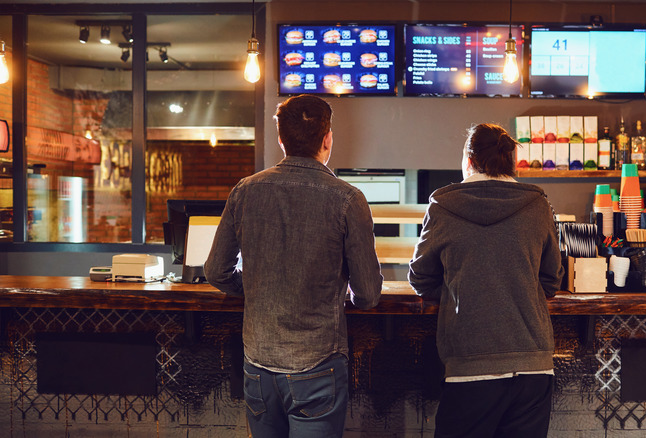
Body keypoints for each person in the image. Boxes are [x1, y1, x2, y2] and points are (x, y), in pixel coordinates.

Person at [204, 94, 383, 438]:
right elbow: (369, 294)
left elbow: (215, 272)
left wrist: (252, 286)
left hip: (258, 362)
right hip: (318, 363)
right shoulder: (348, 198)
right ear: (328, 138)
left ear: (280, 138)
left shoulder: (245, 191)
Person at [408, 123, 564, 437]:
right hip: (532, 365)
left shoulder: (443, 206)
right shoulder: (538, 205)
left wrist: (459, 289)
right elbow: (551, 281)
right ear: (513, 163)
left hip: (470, 365)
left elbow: (421, 278)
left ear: (468, 161)